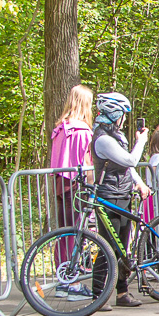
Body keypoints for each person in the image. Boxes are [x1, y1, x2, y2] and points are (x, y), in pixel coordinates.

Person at [90, 91, 151, 308]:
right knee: (107, 246)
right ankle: (99, 294)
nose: (124, 119)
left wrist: (140, 183)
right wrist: (142, 141)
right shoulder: (103, 139)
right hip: (109, 195)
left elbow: (126, 167)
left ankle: (122, 292)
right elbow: (131, 159)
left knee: (122, 246)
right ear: (115, 114)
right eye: (123, 114)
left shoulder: (116, 136)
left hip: (123, 193)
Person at [50, 85, 94, 300]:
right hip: (75, 185)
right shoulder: (82, 130)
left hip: (60, 184)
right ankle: (71, 283)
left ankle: (62, 279)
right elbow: (86, 162)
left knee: (64, 233)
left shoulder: (61, 128)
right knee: (75, 234)